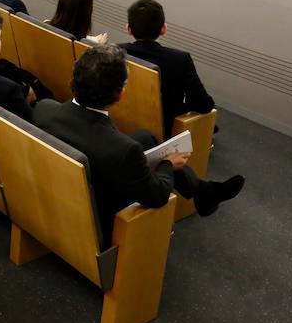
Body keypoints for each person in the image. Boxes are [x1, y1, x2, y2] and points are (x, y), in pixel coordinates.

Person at [33, 44, 244, 246]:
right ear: (120, 94)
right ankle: (203, 192)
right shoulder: (123, 150)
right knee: (155, 156)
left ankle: (202, 191)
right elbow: (158, 196)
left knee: (145, 138)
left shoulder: (44, 109)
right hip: (99, 211)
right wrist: (168, 164)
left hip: (64, 189)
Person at [118, 0, 214, 134]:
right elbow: (204, 105)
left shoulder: (116, 52)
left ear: (128, 28)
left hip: (123, 120)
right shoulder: (180, 60)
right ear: (163, 29)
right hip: (165, 128)